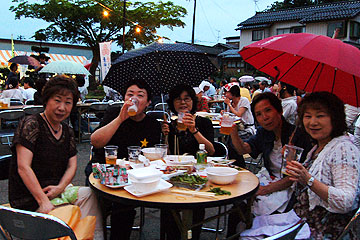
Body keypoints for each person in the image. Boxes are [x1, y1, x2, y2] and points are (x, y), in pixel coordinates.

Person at [8, 75, 103, 239]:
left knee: (90, 194)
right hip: (30, 196)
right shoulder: (32, 124)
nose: (62, 107)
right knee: (66, 212)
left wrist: (60, 187)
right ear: (47, 100)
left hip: (58, 190)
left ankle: (92, 237)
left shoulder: (67, 130)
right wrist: (43, 201)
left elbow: (72, 165)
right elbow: (23, 166)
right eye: (57, 100)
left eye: (68, 102)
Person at [227, 92, 312, 236]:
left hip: (290, 190)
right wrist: (233, 133)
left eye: (268, 110)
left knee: (250, 210)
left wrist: (264, 190)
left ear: (279, 110)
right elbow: (243, 149)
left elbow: (293, 178)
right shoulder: (264, 133)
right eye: (259, 114)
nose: (264, 117)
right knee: (238, 207)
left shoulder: (298, 135)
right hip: (269, 180)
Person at [86, 79, 161, 240]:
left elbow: (152, 159)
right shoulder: (114, 112)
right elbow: (95, 141)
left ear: (148, 102)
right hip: (102, 169)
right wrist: (120, 118)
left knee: (124, 205)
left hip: (133, 175)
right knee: (103, 202)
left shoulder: (153, 124)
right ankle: (97, 232)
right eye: (130, 94)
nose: (133, 99)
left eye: (140, 95)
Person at [286, 92, 360, 239]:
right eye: (307, 116)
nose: (313, 122)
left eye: (320, 116)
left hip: (324, 230)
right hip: (301, 221)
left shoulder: (343, 149)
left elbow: (346, 201)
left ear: (335, 118)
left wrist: (308, 179)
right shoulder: (317, 147)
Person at [161, 84, 215, 240]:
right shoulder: (171, 125)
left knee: (196, 210)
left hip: (198, 176)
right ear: (172, 103)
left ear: (193, 101)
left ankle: (193, 235)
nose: (183, 102)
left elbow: (211, 151)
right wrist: (165, 136)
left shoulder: (203, 122)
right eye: (178, 99)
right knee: (168, 208)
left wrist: (194, 130)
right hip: (174, 176)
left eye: (187, 99)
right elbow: (168, 156)